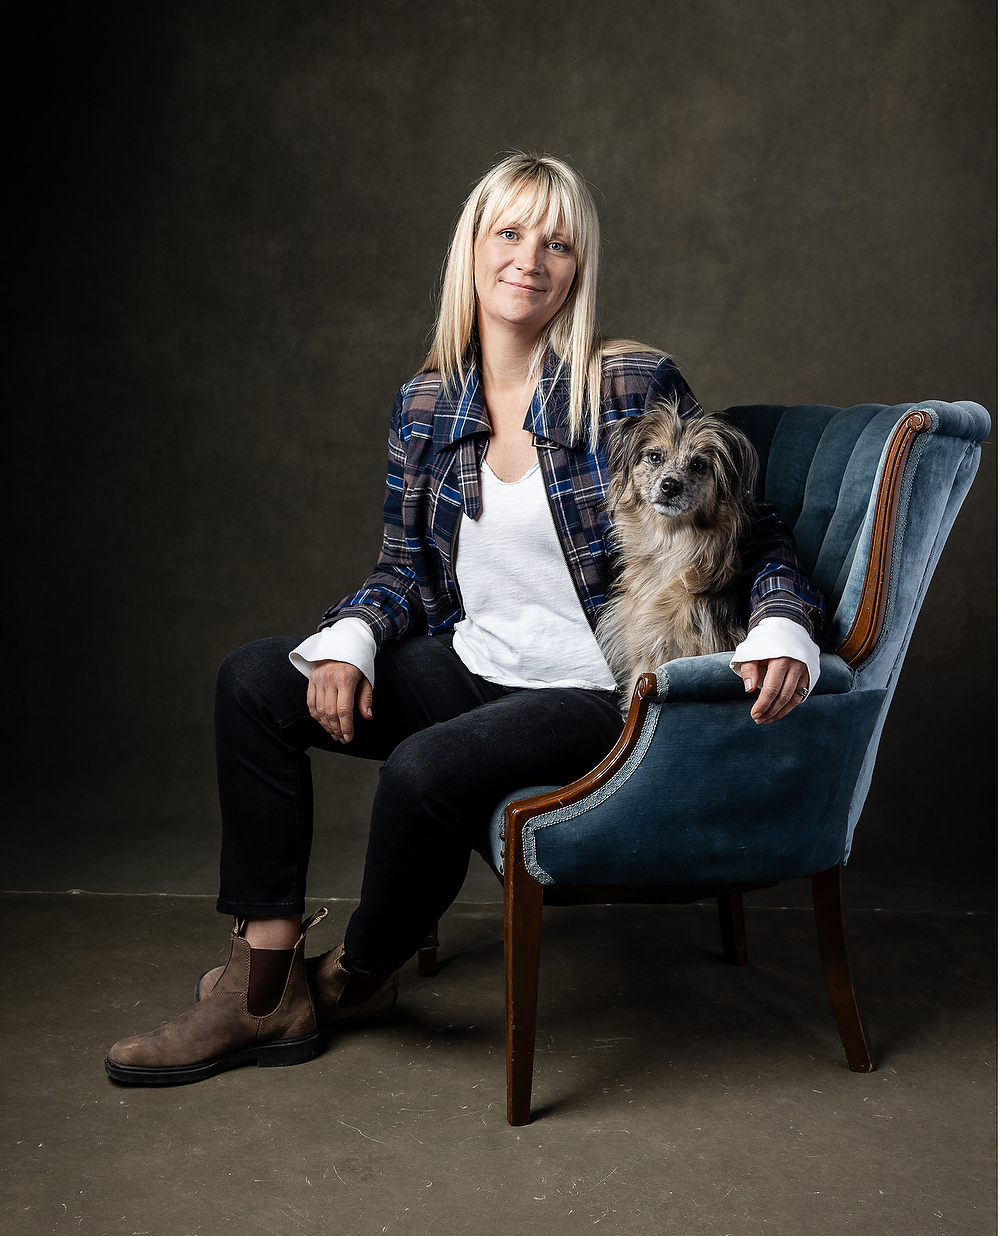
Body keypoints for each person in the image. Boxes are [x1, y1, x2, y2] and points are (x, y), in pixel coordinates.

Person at [105, 153, 823, 1085]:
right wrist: (354, 640)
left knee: (422, 771)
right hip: (474, 663)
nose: (531, 258)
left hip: (590, 688)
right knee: (251, 680)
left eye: (558, 243)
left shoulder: (628, 385)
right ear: (474, 250)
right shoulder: (425, 404)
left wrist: (779, 625)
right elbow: (405, 571)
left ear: (578, 268)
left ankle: (361, 975)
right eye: (511, 233)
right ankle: (265, 983)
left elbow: (751, 529)